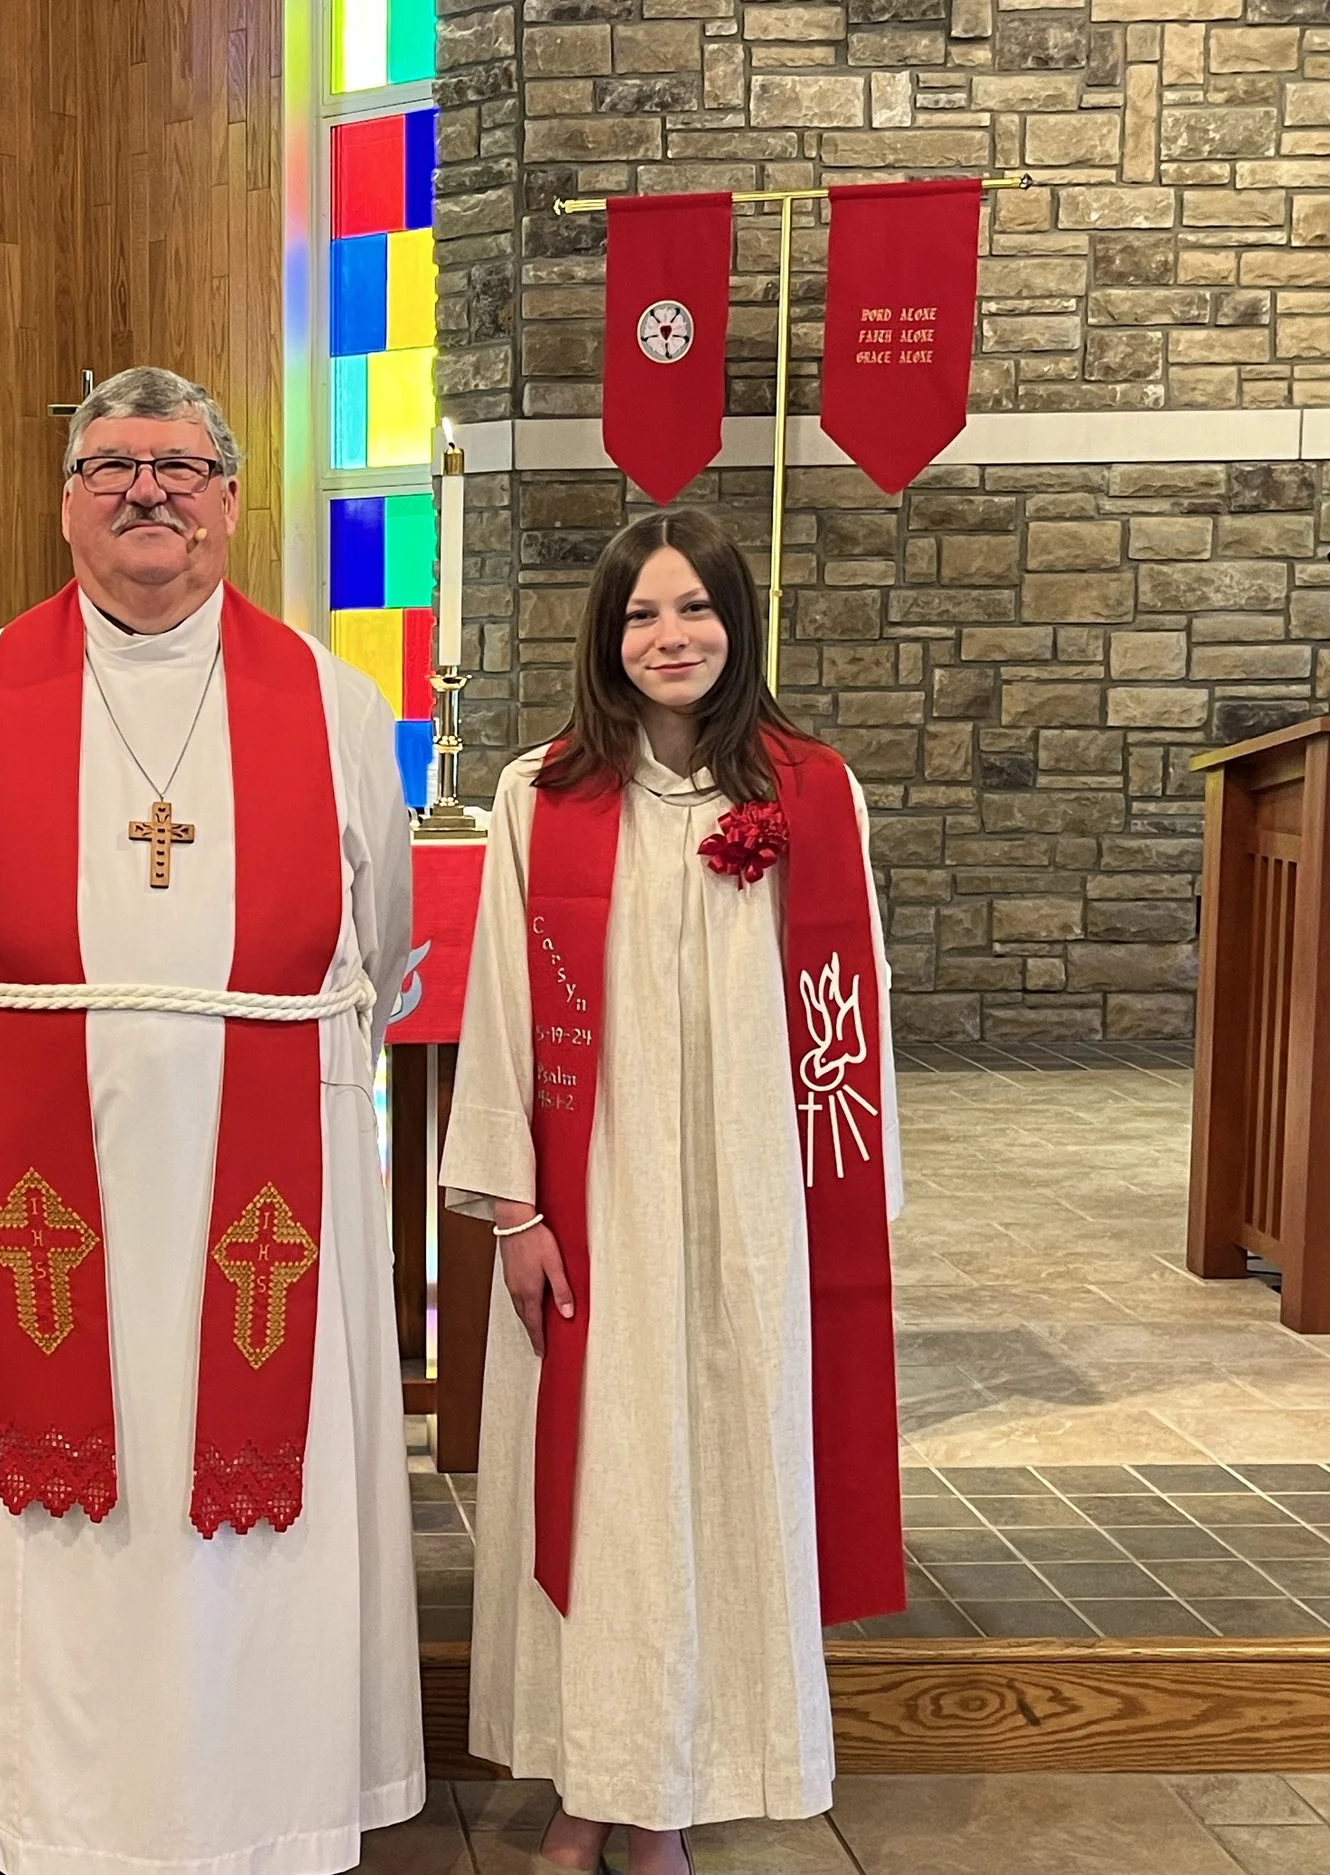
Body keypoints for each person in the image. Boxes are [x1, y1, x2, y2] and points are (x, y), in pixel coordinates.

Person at [0, 365, 424, 1875]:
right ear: (64, 502)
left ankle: (268, 1803)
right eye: (113, 465)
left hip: (262, 1197)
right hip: (43, 1202)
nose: (148, 493)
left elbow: (365, 962)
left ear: (233, 496)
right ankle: (68, 1819)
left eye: (180, 467)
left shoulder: (329, 701)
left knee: (252, 1517)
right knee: (71, 1520)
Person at [440, 509, 905, 1875]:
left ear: (734, 622)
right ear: (607, 638)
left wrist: (847, 1224)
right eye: (642, 615)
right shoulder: (542, 793)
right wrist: (514, 1210)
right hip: (600, 1204)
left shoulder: (816, 790)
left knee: (718, 1477)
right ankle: (594, 1784)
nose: (670, 637)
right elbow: (504, 1010)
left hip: (753, 1205)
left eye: (693, 609)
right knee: (611, 1492)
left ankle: (671, 1796)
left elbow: (854, 1012)